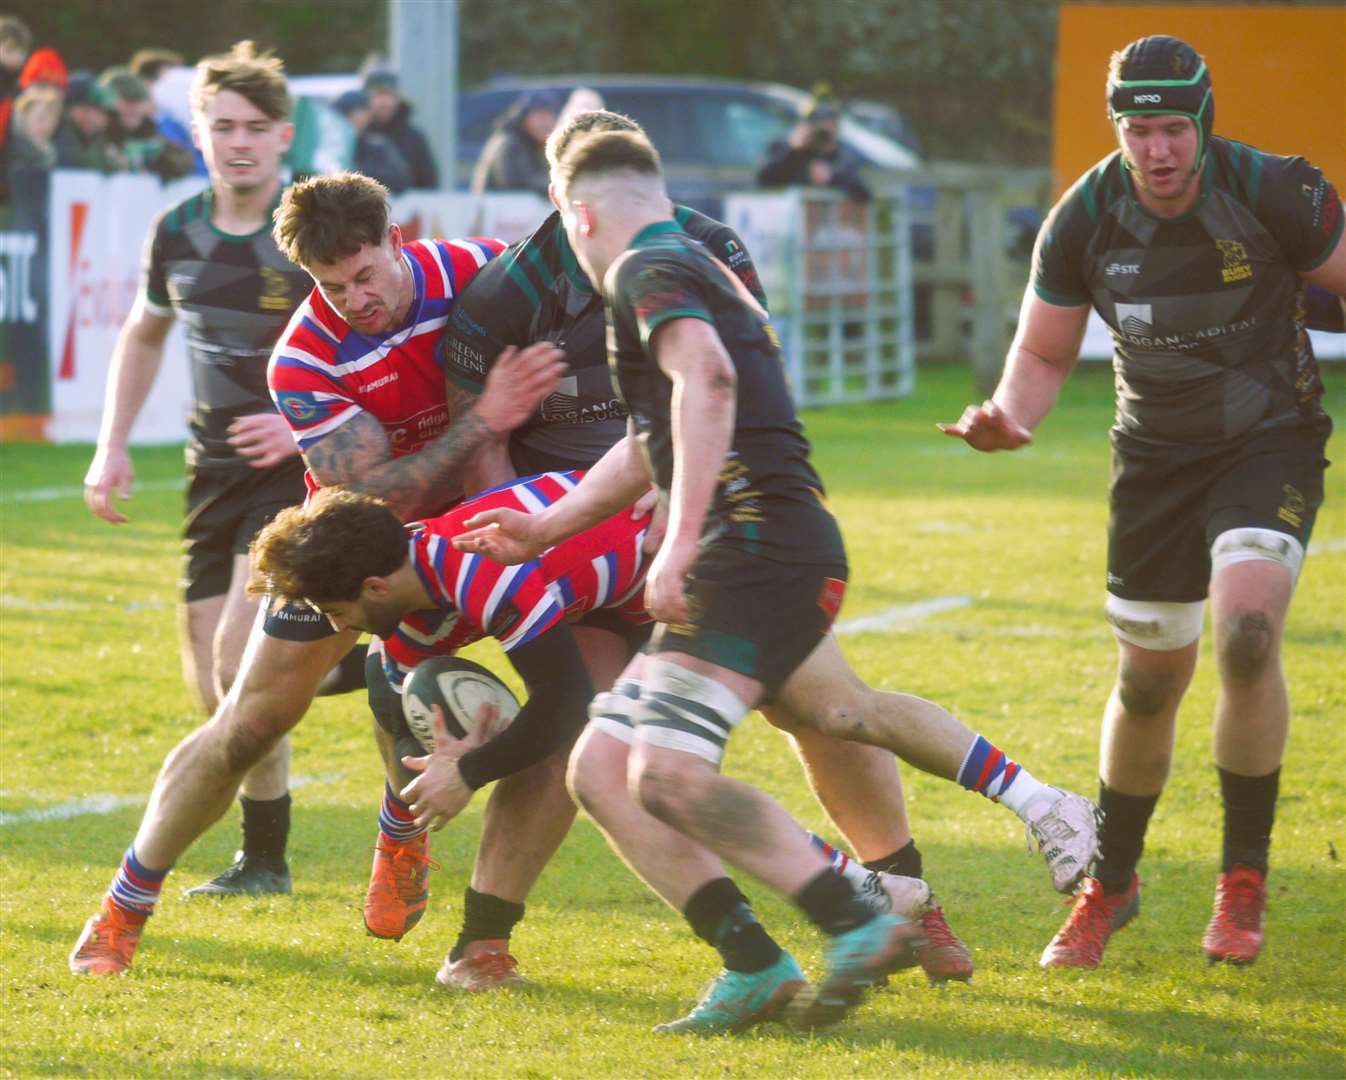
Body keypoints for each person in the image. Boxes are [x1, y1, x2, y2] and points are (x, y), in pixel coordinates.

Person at [436, 110, 1102, 1006]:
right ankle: (770, 958)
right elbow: (651, 437)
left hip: (755, 551)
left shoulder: (644, 269)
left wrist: (673, 544)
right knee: (603, 765)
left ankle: (857, 913)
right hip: (757, 550)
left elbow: (706, 384)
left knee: (682, 766)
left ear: (575, 211)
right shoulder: (688, 260)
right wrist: (546, 529)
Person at [68, 171, 561, 976]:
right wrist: (485, 420)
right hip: (354, 547)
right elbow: (374, 497)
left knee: (551, 712)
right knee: (247, 723)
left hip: (481, 529)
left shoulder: (477, 273)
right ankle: (123, 909)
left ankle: (443, 889)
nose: (354, 299)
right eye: (330, 285)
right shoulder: (304, 356)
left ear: (397, 239)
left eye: (365, 275)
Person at [940, 35, 1344, 970]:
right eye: (1136, 129)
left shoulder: (1277, 190)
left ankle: (1241, 880)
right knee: (1148, 678)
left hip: (1268, 438)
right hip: (1154, 458)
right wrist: (1008, 415)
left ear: (1201, 123)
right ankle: (1111, 884)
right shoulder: (1085, 216)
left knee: (1247, 631)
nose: (1156, 150)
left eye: (1171, 128)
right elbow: (1043, 353)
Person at [82, 41, 327, 901]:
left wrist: (300, 427)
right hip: (208, 470)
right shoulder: (177, 230)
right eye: (222, 126)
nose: (240, 143)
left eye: (257, 128)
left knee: (235, 659)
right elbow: (144, 332)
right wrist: (111, 444)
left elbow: (374, 348)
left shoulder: (308, 233)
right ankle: (368, 673)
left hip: (293, 474)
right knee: (209, 679)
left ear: (284, 134)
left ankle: (265, 861)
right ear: (199, 133)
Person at [757, 90, 870, 203]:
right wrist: (792, 150)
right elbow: (763, 181)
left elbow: (864, 193)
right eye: (816, 126)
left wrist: (832, 176)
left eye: (828, 129)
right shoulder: (786, 150)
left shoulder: (843, 156)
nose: (821, 135)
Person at [100, 66, 193, 180]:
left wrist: (160, 155)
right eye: (126, 101)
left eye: (138, 101)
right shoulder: (98, 135)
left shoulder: (150, 132)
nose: (132, 108)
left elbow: (184, 164)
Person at [471, 90, 559, 198]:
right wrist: (557, 186)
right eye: (540, 116)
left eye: (549, 116)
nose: (546, 123)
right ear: (524, 117)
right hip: (496, 212)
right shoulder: (510, 143)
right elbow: (517, 183)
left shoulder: (533, 143)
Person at [362, 68, 437, 190]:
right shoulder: (355, 135)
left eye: (390, 96)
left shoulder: (414, 138)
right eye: (379, 95)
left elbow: (429, 183)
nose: (385, 102)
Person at [333, 88, 412, 194]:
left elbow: (400, 180)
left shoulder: (377, 147)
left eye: (357, 113)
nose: (351, 119)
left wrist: (355, 172)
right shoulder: (329, 147)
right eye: (348, 114)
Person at [54, 72, 117, 173]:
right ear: (67, 109)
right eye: (84, 109)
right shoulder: (58, 140)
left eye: (99, 111)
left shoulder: (100, 141)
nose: (91, 118)